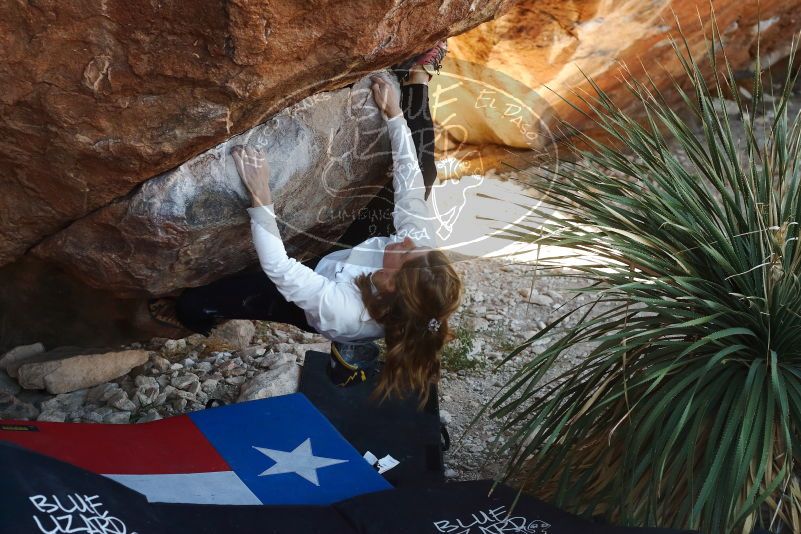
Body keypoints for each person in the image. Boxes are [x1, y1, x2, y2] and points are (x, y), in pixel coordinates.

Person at [156, 42, 462, 405]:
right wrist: (395, 117)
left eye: (407, 252)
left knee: (201, 302)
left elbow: (280, 267)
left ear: (392, 283)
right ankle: (416, 83)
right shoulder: (417, 251)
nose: (409, 241)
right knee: (424, 175)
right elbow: (409, 184)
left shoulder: (345, 312)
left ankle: (192, 318)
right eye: (417, 245)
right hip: (356, 255)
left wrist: (261, 199)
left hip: (317, 293)